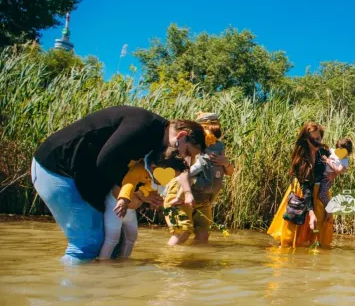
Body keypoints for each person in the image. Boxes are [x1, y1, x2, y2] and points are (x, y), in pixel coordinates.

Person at [31, 105, 205, 265]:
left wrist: (145, 196)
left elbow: (133, 172)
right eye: (187, 152)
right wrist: (139, 192)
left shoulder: (155, 138)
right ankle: (68, 296)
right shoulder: (143, 127)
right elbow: (105, 161)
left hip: (82, 176)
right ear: (181, 136)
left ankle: (102, 293)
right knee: (88, 244)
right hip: (58, 168)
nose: (186, 160)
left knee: (114, 244)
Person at [98, 150, 187, 259]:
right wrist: (123, 199)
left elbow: (153, 191)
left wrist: (155, 202)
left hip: (130, 211)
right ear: (154, 168)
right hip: (116, 206)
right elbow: (129, 183)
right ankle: (103, 261)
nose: (169, 180)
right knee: (112, 238)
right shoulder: (140, 170)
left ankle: (123, 260)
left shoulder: (159, 177)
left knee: (132, 237)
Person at [165, 112, 233, 245]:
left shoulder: (218, 146)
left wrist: (225, 163)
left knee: (203, 234)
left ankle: (195, 263)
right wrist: (182, 195)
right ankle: (169, 262)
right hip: (184, 191)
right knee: (182, 231)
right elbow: (186, 171)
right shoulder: (192, 144)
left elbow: (229, 172)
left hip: (204, 197)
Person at [267, 122, 334, 248]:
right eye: (312, 139)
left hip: (320, 193)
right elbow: (306, 188)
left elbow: (336, 168)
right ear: (305, 139)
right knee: (293, 233)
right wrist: (311, 212)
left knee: (318, 232)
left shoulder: (324, 152)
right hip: (302, 193)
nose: (315, 142)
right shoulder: (300, 159)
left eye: (318, 139)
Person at [319, 138, 353, 211]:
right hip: (321, 174)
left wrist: (328, 161)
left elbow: (338, 171)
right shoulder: (332, 151)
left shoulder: (345, 161)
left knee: (322, 194)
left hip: (327, 179)